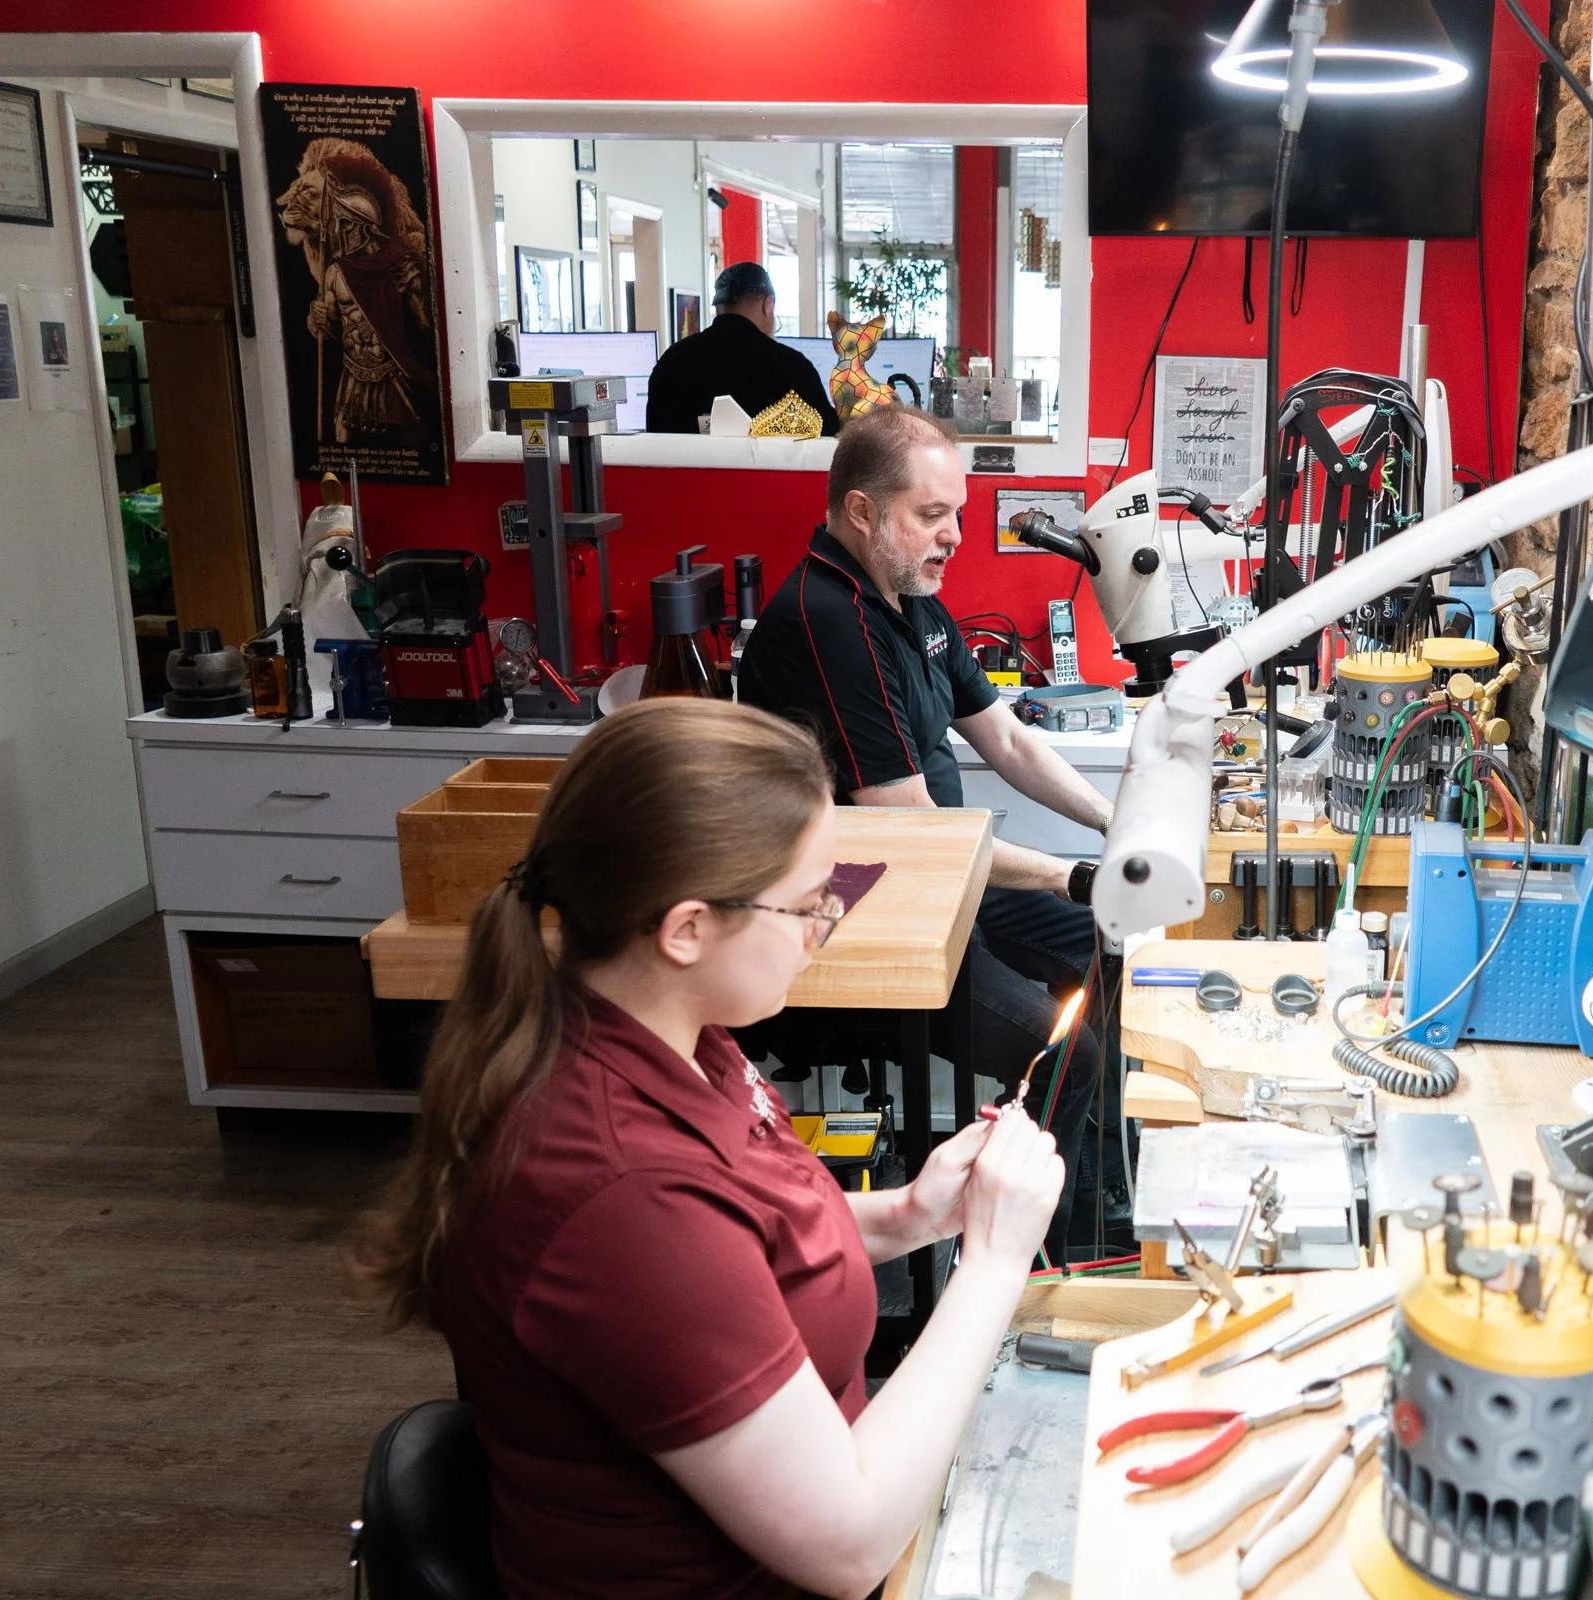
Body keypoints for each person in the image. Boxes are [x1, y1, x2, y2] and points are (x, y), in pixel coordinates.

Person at [355, 698, 1063, 1600]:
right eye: (808, 904)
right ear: (685, 929)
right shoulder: (621, 1194)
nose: (824, 927)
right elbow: (847, 1549)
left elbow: (744, 1234)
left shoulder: (678, 1036)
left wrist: (906, 1215)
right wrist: (995, 1262)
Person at [737, 405, 1119, 1255]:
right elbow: (908, 829)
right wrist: (1071, 873)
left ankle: (1087, 1191)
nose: (954, 537)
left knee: (1104, 940)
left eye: (958, 515)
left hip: (947, 885)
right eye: (932, 515)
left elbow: (1009, 740)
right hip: (870, 917)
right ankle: (1036, 1254)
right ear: (862, 511)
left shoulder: (914, 602)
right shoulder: (829, 620)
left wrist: (1112, 823)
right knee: (1075, 1054)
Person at [645, 263, 840, 436]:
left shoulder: (671, 362)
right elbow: (829, 434)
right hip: (770, 468)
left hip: (685, 468)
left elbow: (654, 439)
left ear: (719, 306)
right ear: (768, 305)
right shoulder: (791, 367)